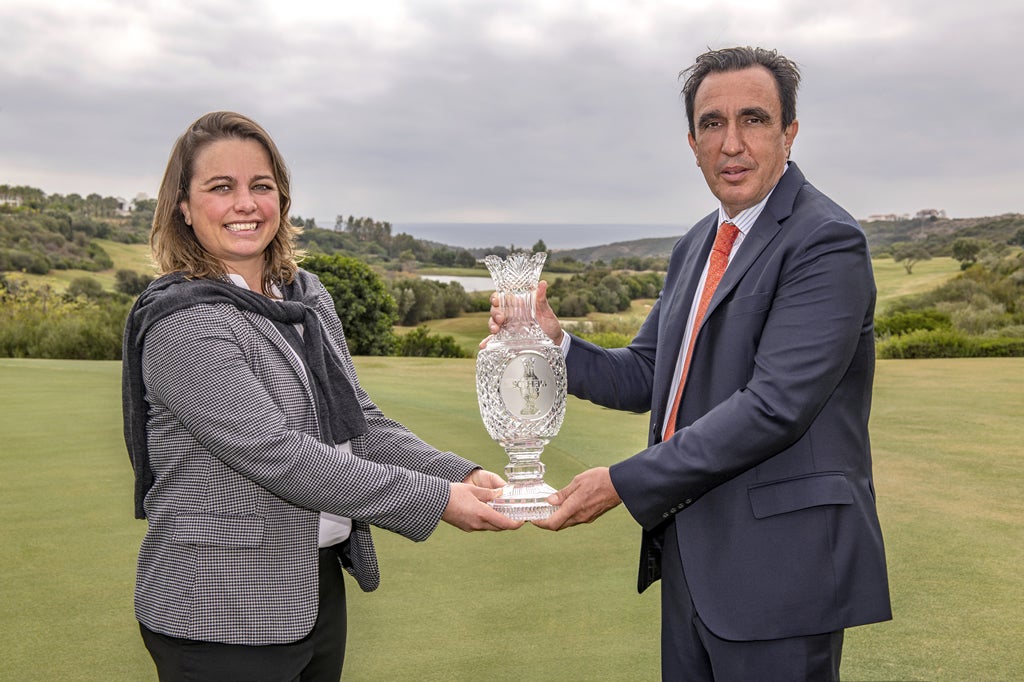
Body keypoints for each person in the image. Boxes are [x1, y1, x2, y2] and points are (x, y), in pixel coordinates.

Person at [487, 46, 891, 679]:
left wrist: (623, 481)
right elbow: (648, 374)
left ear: (789, 132)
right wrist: (554, 340)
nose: (731, 143)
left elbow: (775, 407)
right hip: (692, 561)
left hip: (783, 571)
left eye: (753, 119)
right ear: (692, 141)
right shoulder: (698, 243)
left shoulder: (825, 241)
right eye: (712, 123)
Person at [123, 110, 521, 681]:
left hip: (310, 590)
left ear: (281, 201)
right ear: (183, 207)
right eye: (221, 187)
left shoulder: (305, 299)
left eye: (262, 186)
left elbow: (359, 425)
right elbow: (277, 454)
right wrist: (436, 501)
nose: (246, 203)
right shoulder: (184, 323)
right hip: (218, 610)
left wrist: (461, 475)